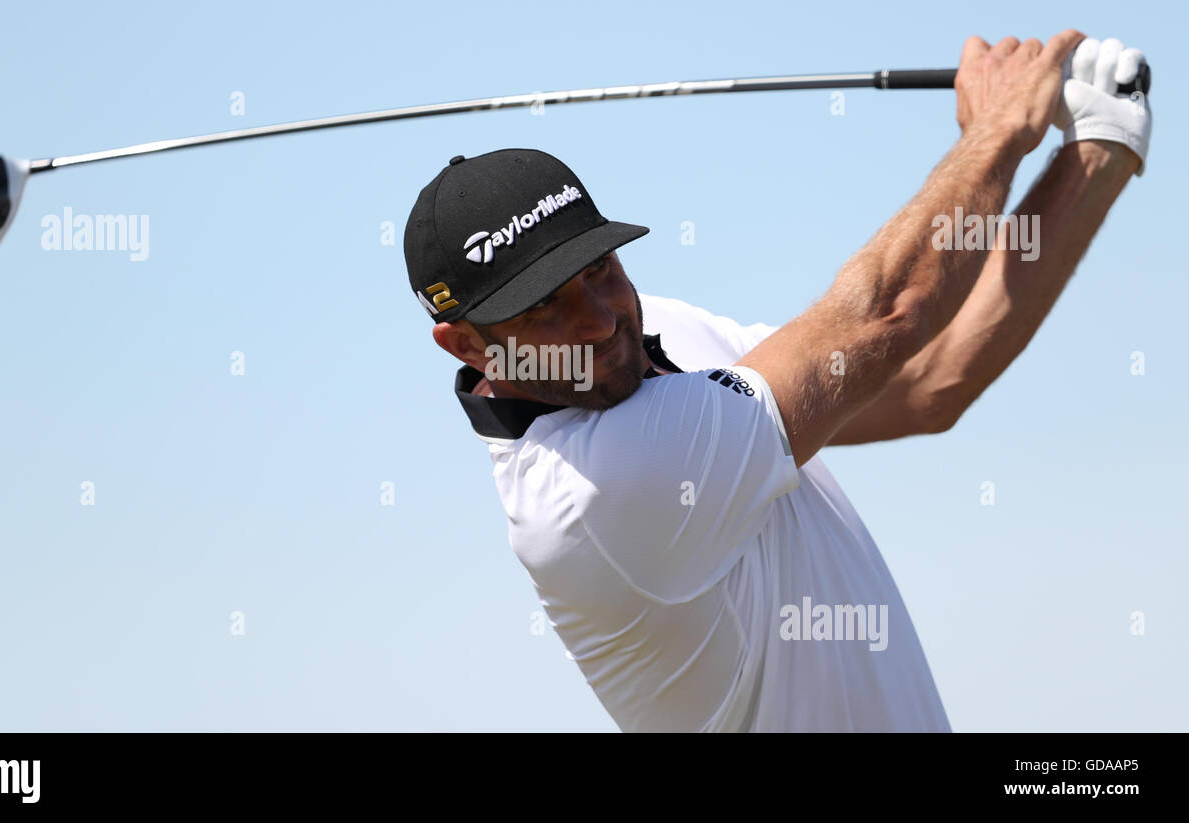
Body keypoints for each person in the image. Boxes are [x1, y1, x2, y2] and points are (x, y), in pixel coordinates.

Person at [402, 32, 1151, 731]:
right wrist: (997, 132)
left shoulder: (650, 339)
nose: (598, 319)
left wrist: (1099, 146)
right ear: (464, 342)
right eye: (545, 308)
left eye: (599, 269)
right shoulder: (589, 492)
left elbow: (928, 378)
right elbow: (883, 316)